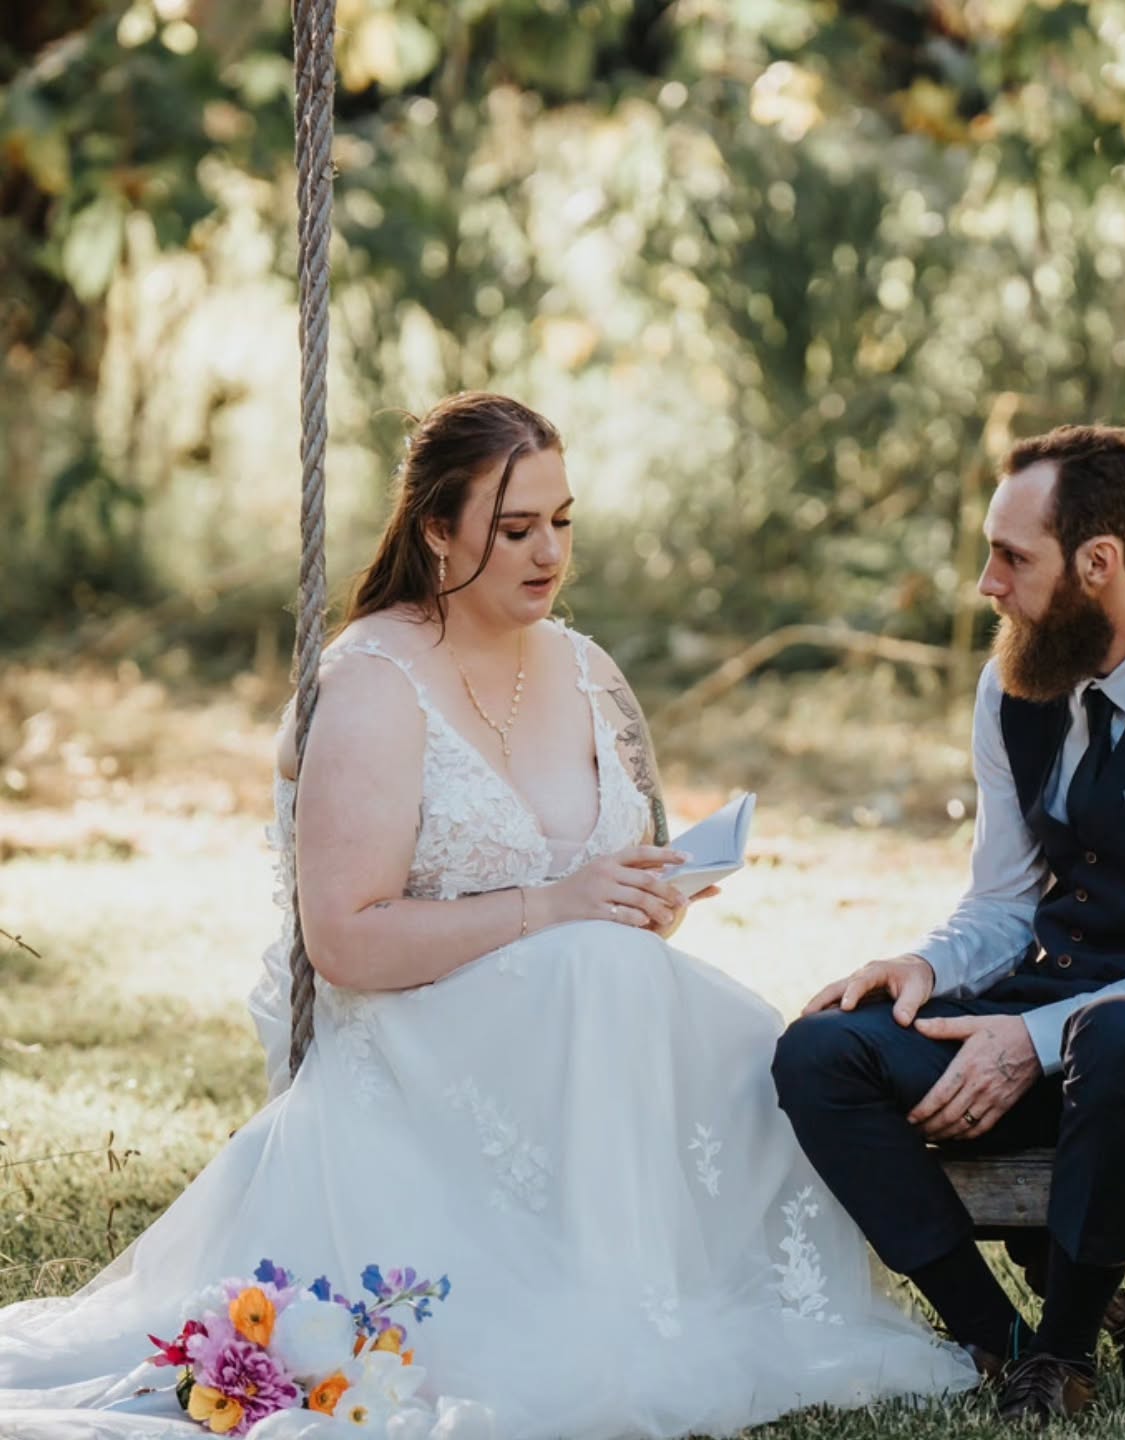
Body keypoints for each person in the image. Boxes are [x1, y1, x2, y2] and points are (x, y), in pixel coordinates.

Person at [0, 393, 976, 1439]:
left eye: (563, 521)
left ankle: (698, 1290)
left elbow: (618, 894)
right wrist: (557, 908)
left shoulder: (591, 670)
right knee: (603, 977)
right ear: (436, 529)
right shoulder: (372, 686)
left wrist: (649, 895)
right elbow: (344, 939)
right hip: (422, 1060)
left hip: (582, 1043)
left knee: (737, 1034)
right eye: (516, 529)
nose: (548, 551)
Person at [772, 424, 1125, 1424]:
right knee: (819, 1054)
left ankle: (1065, 1354)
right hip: (1046, 1027)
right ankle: (998, 1339)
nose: (988, 583)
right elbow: (1003, 905)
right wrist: (925, 970)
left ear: (1098, 563)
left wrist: (1034, 1042)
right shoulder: (1011, 686)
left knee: (1110, 1035)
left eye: (1011, 557)